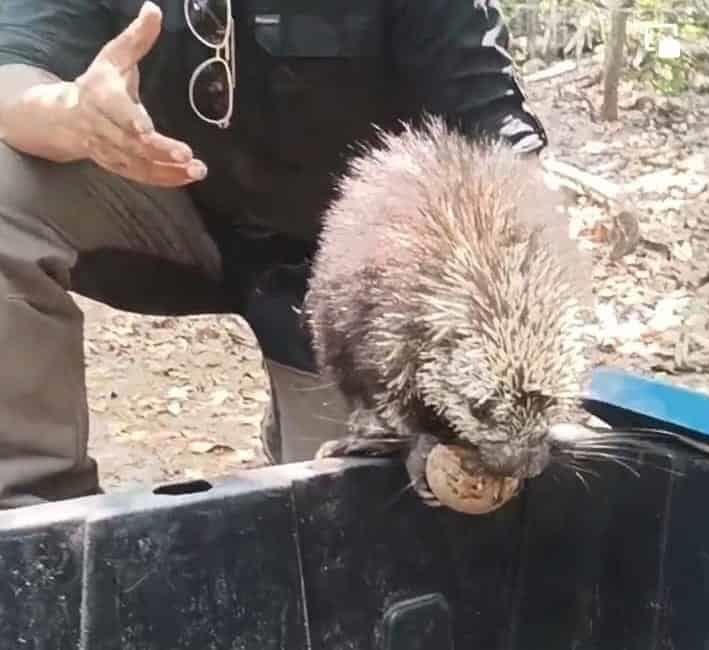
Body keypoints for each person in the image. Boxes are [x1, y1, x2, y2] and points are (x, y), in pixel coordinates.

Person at [0, 0, 550, 509]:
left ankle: (310, 419)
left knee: (355, 515)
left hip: (358, 282)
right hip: (167, 202)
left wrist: (518, 321)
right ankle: (35, 525)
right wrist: (76, 116)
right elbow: (10, 71)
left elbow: (492, 128)